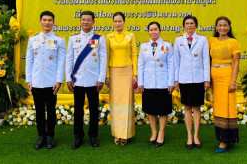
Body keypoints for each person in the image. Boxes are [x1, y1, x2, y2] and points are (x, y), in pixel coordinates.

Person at [66, 11, 107, 149]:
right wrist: (69, 77)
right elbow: (69, 59)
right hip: (77, 80)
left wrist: (101, 78)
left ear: (93, 22)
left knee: (94, 109)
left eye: (88, 20)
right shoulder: (73, 38)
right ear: (80, 21)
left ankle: (93, 136)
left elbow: (103, 59)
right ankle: (78, 137)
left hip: (93, 80)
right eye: (83, 20)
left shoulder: (100, 38)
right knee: (78, 110)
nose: (85, 22)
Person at [26, 11, 66, 150]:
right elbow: (30, 60)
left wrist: (59, 80)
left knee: (51, 110)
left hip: (51, 82)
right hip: (36, 81)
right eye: (44, 20)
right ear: (40, 22)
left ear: (54, 23)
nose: (47, 22)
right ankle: (41, 136)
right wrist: (29, 80)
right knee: (39, 111)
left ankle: (50, 136)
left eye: (50, 20)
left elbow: (61, 62)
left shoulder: (60, 40)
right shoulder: (33, 39)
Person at [174, 15, 210, 149]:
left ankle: (196, 135)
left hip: (199, 78)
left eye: (192, 23)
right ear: (184, 26)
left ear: (196, 26)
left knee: (197, 107)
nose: (189, 25)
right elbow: (176, 62)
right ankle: (189, 135)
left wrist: (207, 80)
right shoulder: (178, 40)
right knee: (187, 107)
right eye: (187, 23)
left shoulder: (202, 39)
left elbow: (206, 60)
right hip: (184, 79)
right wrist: (176, 80)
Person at [138, 22, 174, 147]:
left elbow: (171, 65)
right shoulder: (144, 46)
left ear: (160, 30)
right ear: (148, 32)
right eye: (151, 30)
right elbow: (141, 65)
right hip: (148, 83)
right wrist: (140, 83)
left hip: (163, 83)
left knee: (163, 110)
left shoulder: (167, 45)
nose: (153, 32)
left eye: (155, 29)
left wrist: (171, 82)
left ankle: (161, 134)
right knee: (151, 110)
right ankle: (154, 133)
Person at [209, 16, 241, 153]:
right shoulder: (211, 41)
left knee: (227, 108)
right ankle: (222, 137)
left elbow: (237, 63)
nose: (222, 28)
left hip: (227, 78)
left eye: (225, 25)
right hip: (214, 79)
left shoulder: (233, 42)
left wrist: (233, 81)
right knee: (218, 108)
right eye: (219, 25)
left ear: (229, 27)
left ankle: (226, 140)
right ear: (216, 27)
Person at [105, 12, 137, 145]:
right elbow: (106, 56)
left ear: (124, 22)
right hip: (114, 73)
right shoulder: (109, 37)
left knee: (127, 103)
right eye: (115, 21)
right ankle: (117, 134)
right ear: (113, 23)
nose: (117, 23)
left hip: (127, 72)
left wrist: (135, 73)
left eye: (120, 21)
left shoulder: (131, 36)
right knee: (116, 103)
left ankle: (126, 134)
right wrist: (107, 75)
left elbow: (134, 54)